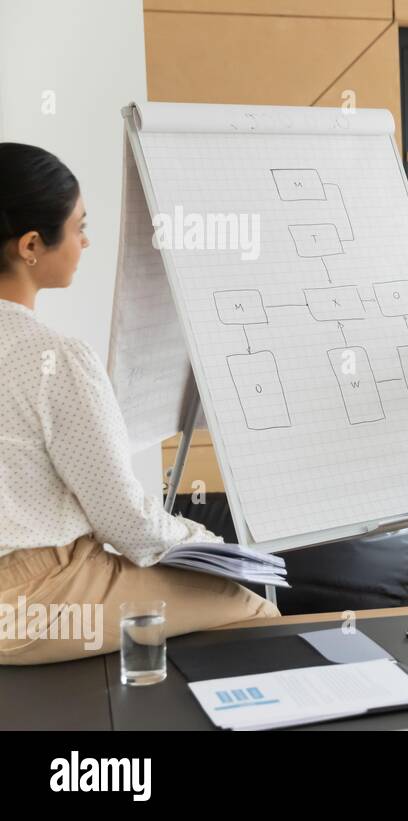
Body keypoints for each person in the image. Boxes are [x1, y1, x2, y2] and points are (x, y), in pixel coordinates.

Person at [0, 143, 280, 665]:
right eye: (79, 226)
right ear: (32, 244)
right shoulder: (55, 358)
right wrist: (208, 542)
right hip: (41, 596)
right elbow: (125, 522)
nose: (85, 241)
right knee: (252, 610)